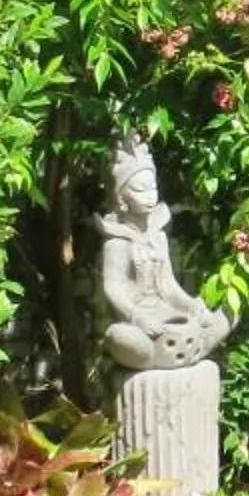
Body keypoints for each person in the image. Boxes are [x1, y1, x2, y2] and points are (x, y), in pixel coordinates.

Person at [97, 136, 231, 371]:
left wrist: (191, 306)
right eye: (140, 189)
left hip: (167, 316)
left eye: (153, 188)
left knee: (228, 314)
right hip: (139, 324)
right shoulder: (117, 241)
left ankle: (189, 347)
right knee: (119, 336)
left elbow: (168, 286)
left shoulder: (157, 235)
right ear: (121, 197)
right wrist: (138, 317)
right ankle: (159, 354)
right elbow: (113, 287)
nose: (150, 195)